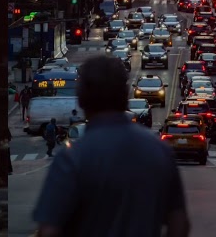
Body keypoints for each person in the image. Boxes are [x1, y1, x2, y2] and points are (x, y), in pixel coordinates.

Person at [32, 56, 191, 237]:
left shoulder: (71, 158)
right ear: (125, 95)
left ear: (81, 99)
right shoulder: (160, 151)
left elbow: (49, 230)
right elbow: (179, 222)